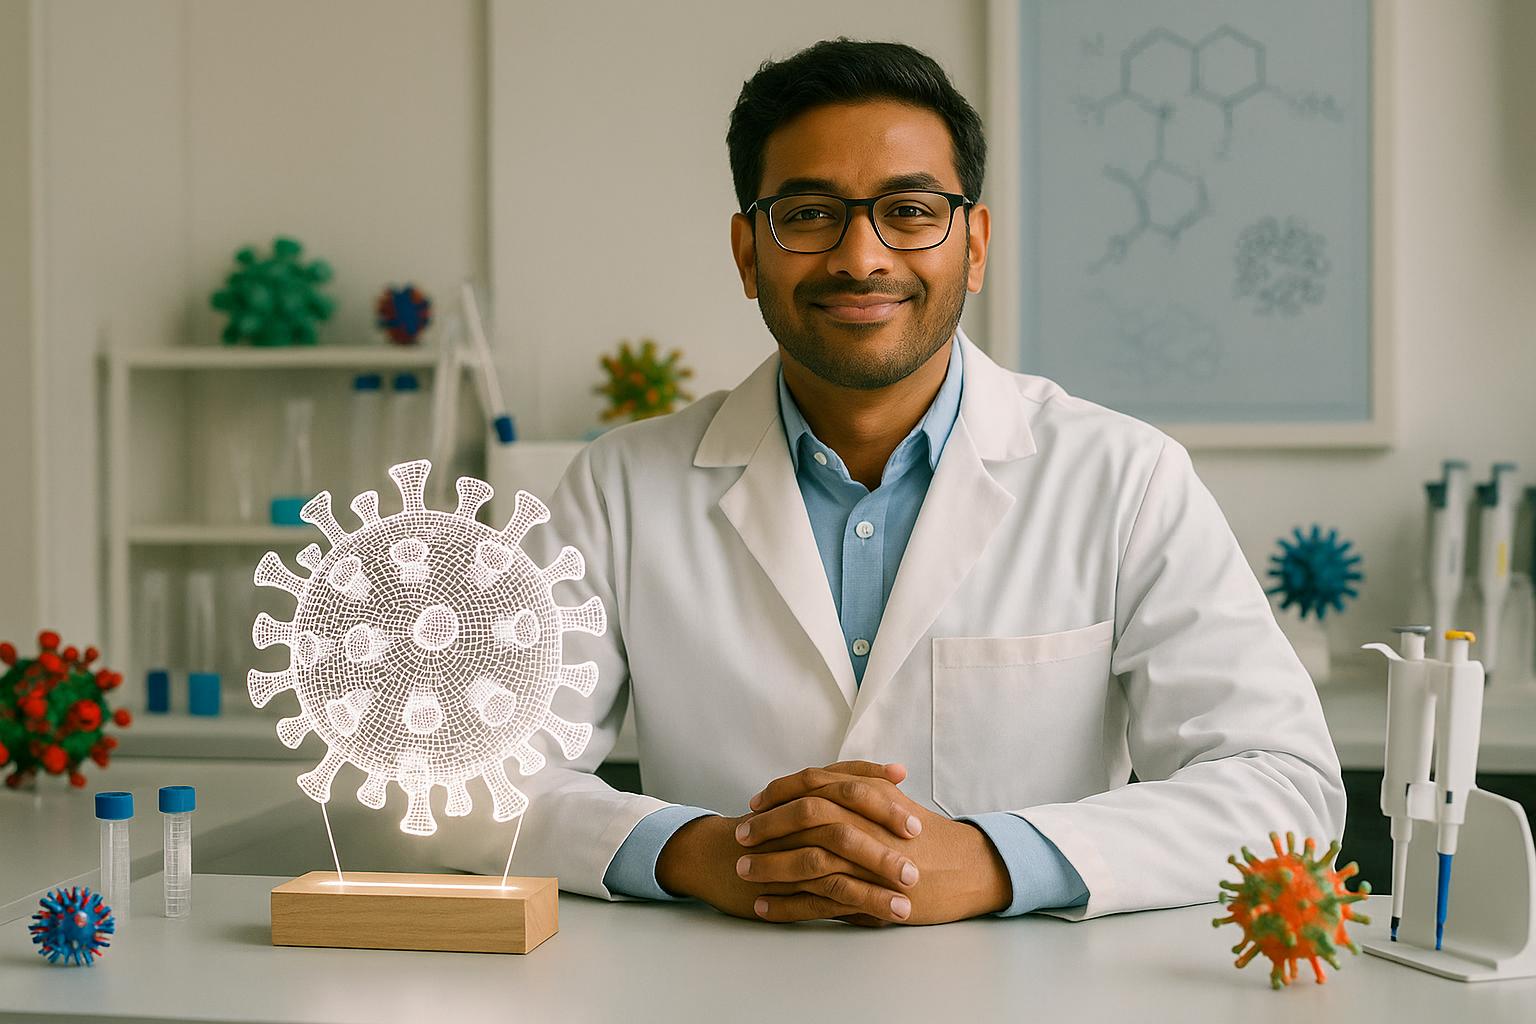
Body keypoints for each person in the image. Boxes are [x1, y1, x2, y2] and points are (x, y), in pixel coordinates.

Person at [444, 38, 1343, 927]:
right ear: (748, 251)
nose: (860, 257)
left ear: (974, 243)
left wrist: (999, 860)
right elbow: (461, 773)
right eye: (807, 214)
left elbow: (1283, 788)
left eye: (910, 211)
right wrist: (701, 853)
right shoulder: (620, 487)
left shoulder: (1124, 476)